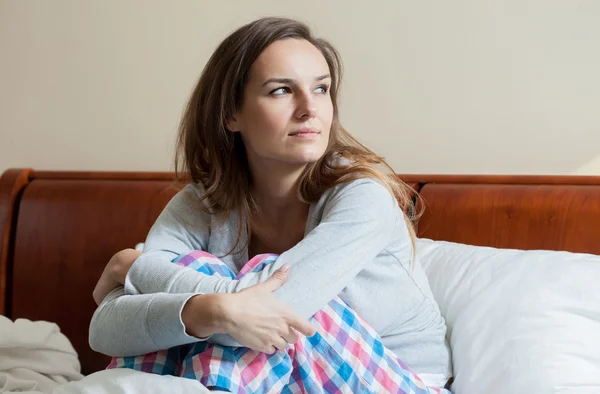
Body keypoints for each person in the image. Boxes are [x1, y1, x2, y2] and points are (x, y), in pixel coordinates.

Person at [89, 16, 452, 390]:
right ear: (231, 114)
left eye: (321, 88)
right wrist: (211, 309)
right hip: (282, 379)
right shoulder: (203, 203)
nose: (310, 109)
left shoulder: (361, 195)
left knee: (280, 297)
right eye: (281, 90)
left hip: (401, 381)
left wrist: (131, 267)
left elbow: (269, 317)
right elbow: (105, 331)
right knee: (197, 272)